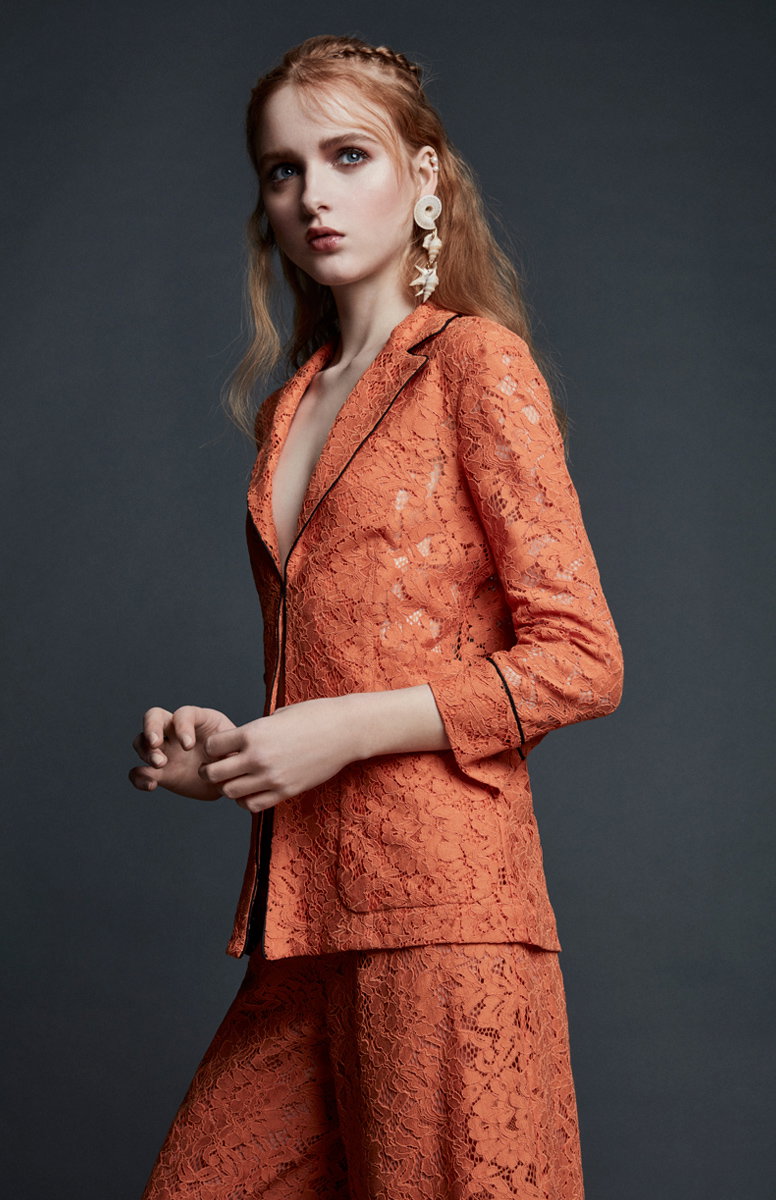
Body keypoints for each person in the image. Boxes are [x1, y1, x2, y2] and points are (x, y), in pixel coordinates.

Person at [130, 33, 624, 1200]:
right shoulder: (289, 406)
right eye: (282, 169)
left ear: (422, 175)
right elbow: (342, 656)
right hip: (300, 919)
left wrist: (343, 730)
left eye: (347, 155)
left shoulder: (473, 365)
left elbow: (580, 660)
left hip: (442, 916)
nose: (312, 194)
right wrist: (233, 754)